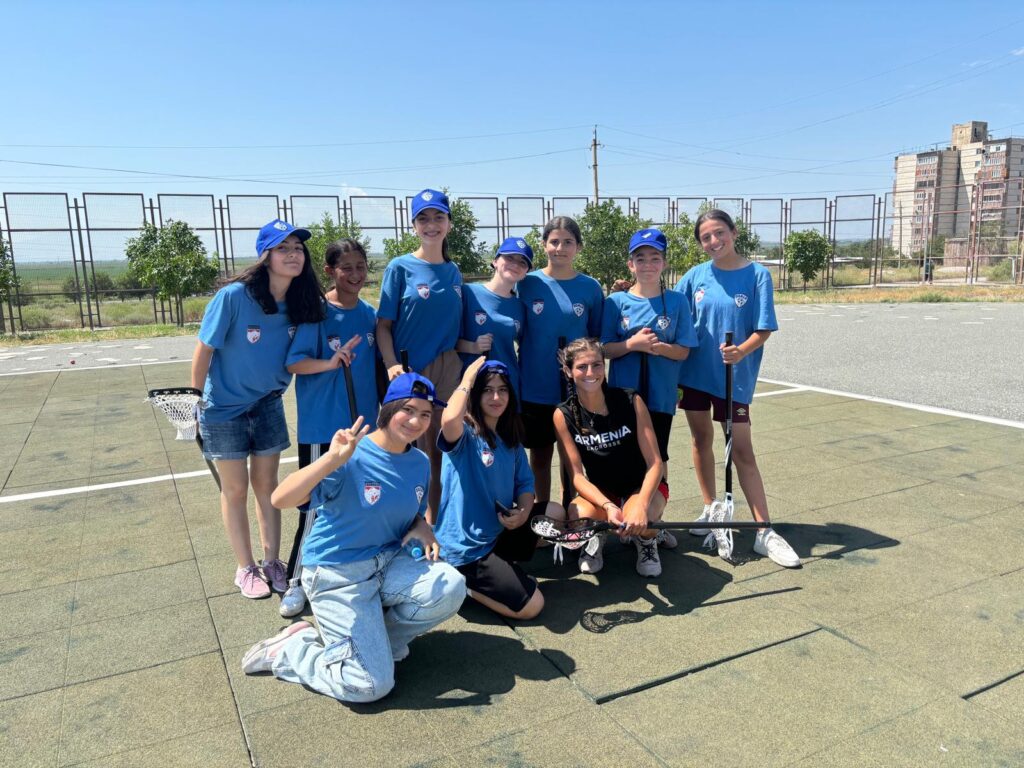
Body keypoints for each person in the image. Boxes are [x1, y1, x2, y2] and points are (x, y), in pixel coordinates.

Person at [241, 373, 467, 703]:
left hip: (387, 564)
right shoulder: (351, 454)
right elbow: (280, 498)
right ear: (388, 409)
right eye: (408, 410)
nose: (416, 421)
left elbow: (410, 511)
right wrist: (332, 458)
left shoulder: (419, 462)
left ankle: (378, 644)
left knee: (450, 585)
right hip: (337, 574)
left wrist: (420, 525)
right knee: (369, 686)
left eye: (425, 414)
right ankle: (293, 650)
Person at [191, 219, 324, 599]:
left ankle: (272, 561)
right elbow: (205, 349)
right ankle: (245, 567)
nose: (293, 255)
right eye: (284, 248)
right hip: (224, 409)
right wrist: (194, 399)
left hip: (268, 405)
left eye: (298, 248)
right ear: (266, 256)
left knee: (268, 487)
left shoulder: (302, 302)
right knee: (235, 490)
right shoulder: (234, 297)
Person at [674, 209, 799, 567]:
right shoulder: (695, 276)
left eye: (719, 233)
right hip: (693, 374)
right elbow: (673, 309)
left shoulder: (758, 275)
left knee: (742, 449)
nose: (714, 242)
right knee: (700, 441)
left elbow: (764, 329)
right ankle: (711, 509)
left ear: (734, 231)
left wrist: (739, 351)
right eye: (706, 238)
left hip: (734, 378)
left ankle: (763, 530)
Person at [279, 238, 380, 618]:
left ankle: (356, 573)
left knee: (361, 500)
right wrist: (330, 362)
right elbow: (294, 363)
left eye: (360, 266)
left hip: (364, 429)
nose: (355, 274)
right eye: (346, 268)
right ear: (330, 271)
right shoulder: (316, 313)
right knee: (312, 507)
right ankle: (295, 581)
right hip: (323, 428)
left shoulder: (369, 314)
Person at [434, 357, 565, 619]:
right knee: (532, 606)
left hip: (499, 533)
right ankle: (464, 585)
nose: (496, 397)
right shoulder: (465, 434)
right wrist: (468, 379)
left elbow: (525, 485)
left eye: (502, 390)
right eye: (488, 390)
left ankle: (502, 568)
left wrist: (524, 512)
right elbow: (448, 421)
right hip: (467, 549)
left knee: (555, 513)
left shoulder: (510, 437)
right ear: (476, 393)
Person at [376, 189, 463, 523]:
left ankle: (436, 525)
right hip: (409, 371)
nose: (431, 225)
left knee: (442, 450)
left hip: (447, 369)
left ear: (449, 224)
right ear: (413, 225)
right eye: (423, 218)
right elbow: (383, 326)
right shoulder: (400, 267)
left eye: (438, 217)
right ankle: (405, 525)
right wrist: (392, 364)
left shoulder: (453, 271)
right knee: (409, 451)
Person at [552, 337, 673, 577]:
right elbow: (576, 476)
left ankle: (647, 540)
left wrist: (641, 503)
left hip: (641, 486)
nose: (591, 372)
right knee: (578, 516)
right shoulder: (562, 414)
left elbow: (655, 463)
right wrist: (607, 506)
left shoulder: (630, 400)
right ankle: (598, 536)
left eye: (597, 365)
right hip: (604, 492)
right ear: (568, 371)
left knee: (644, 518)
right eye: (582, 366)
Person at [517, 217, 603, 505]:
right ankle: (543, 513)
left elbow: (596, 338)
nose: (560, 248)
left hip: (574, 390)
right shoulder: (527, 284)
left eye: (568, 242)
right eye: (554, 241)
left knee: (573, 456)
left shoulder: (590, 287)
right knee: (540, 456)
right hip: (535, 386)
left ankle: (571, 513)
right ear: (544, 245)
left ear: (578, 247)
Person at [602, 228, 697, 475]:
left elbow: (684, 351)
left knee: (657, 457)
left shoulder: (678, 301)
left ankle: (655, 510)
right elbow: (604, 349)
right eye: (640, 258)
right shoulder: (615, 301)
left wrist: (659, 348)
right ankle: (627, 508)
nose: (648, 264)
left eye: (655, 258)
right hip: (623, 397)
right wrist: (632, 345)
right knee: (624, 455)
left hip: (660, 397)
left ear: (664, 263)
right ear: (630, 264)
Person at [456, 236, 529, 399]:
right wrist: (473, 347)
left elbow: (527, 347)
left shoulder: (520, 306)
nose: (515, 264)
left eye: (523, 262)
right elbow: (446, 341)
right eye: (509, 257)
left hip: (507, 387)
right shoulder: (468, 294)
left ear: (526, 273)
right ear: (495, 261)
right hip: (473, 386)